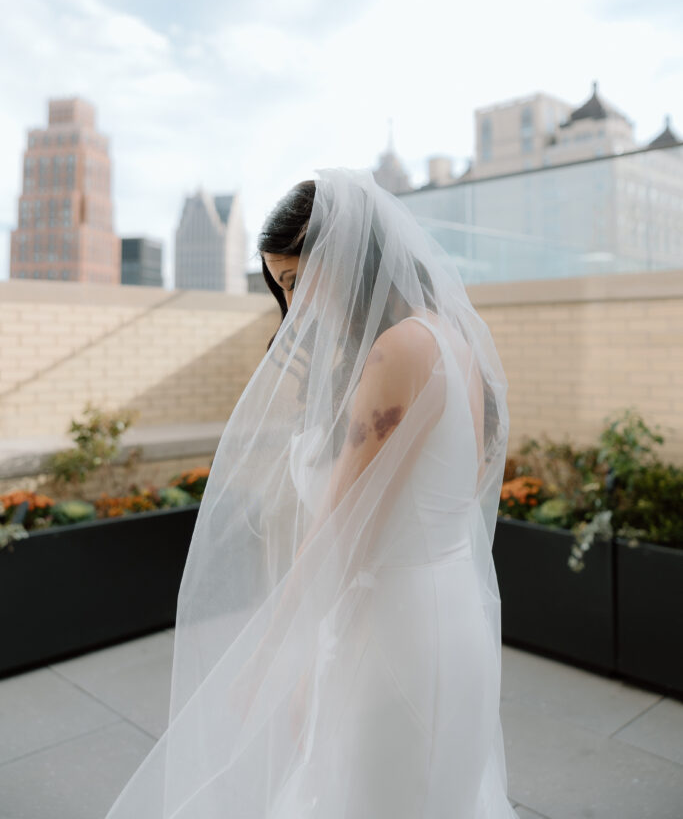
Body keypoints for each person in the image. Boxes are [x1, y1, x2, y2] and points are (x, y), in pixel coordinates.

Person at [103, 167, 516, 818]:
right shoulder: (446, 338)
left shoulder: (395, 353)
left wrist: (269, 659)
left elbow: (335, 533)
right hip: (442, 615)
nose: (291, 307)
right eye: (279, 287)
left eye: (295, 281)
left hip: (393, 635)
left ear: (346, 256)